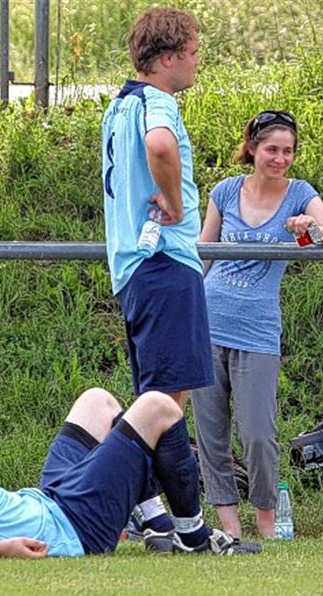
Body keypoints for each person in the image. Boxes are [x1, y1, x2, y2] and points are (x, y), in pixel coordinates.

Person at [0, 374, 261, 558]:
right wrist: (0, 548)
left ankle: (152, 518)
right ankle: (192, 536)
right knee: (158, 405)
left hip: (47, 500)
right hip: (73, 528)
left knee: (98, 399)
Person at [192, 111, 323, 539]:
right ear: (253, 149)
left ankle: (265, 521)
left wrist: (309, 226)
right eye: (272, 150)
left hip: (258, 331)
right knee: (211, 434)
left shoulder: (299, 194)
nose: (280, 158)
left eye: (288, 151)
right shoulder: (225, 192)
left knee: (259, 433)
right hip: (208, 323)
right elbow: (203, 254)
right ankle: (228, 527)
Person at [100, 7, 212, 544]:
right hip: (164, 261)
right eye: (191, 52)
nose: (196, 62)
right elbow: (162, 146)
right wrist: (171, 199)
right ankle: (190, 530)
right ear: (166, 58)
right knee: (167, 401)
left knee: (152, 400)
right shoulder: (157, 102)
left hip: (134, 267)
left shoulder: (118, 104)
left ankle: (148, 512)